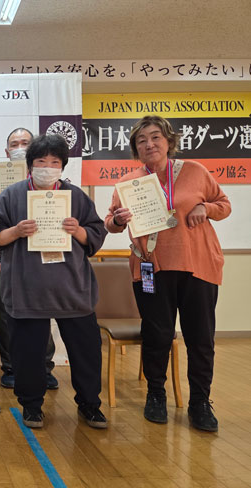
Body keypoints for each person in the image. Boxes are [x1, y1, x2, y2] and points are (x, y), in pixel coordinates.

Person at [105, 115, 231, 432]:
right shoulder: (128, 183)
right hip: (152, 268)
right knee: (157, 335)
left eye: (156, 137)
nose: (149, 144)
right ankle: (156, 395)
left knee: (200, 337)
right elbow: (111, 223)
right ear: (135, 148)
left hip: (198, 266)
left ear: (169, 142)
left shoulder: (195, 171)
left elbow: (223, 204)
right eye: (142, 140)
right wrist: (118, 220)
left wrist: (206, 208)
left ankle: (200, 402)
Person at [0, 134, 108, 429]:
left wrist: (78, 231)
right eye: (41, 161)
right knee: (28, 352)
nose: (47, 168)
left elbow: (95, 234)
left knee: (86, 351)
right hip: (27, 287)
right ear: (30, 165)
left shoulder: (75, 196)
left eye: (54, 162)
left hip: (72, 287)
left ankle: (90, 404)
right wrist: (16, 231)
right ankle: (32, 405)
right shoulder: (11, 196)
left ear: (62, 166)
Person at [0, 127, 58, 390]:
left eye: (25, 143)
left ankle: (45, 368)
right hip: (6, 257)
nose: (19, 148)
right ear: (6, 150)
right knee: (6, 315)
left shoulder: (47, 175)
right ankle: (11, 367)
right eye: (14, 144)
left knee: (42, 313)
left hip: (40, 256)